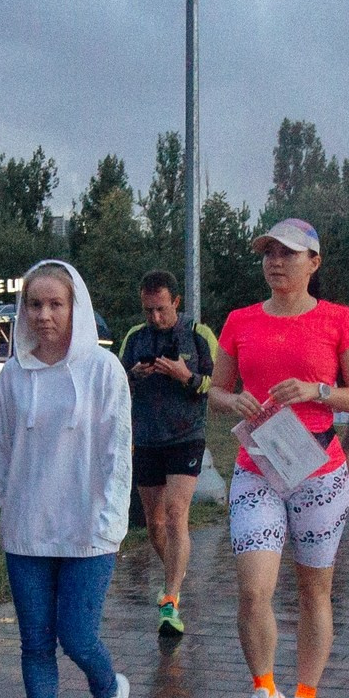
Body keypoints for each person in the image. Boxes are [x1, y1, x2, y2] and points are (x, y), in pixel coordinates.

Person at [211, 219, 349, 698]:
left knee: (313, 591)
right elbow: (218, 391)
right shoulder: (240, 320)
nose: (276, 262)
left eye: (288, 253)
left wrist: (317, 390)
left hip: (318, 472)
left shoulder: (339, 319)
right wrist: (232, 400)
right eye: (269, 253)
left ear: (314, 263)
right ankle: (265, 693)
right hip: (257, 466)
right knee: (253, 589)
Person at [0, 261, 133, 698]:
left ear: (76, 308)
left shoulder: (104, 371)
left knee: (76, 634)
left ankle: (109, 691)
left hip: (88, 530)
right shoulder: (12, 376)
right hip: (27, 530)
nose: (44, 315)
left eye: (56, 304)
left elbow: (118, 451)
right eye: (35, 304)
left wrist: (110, 519)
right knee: (34, 642)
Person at [119, 268, 217, 635]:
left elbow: (219, 385)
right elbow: (114, 382)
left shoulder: (198, 334)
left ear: (176, 302)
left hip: (186, 435)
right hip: (146, 437)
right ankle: (175, 575)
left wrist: (185, 376)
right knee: (155, 523)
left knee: (176, 515)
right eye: (148, 310)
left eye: (161, 309)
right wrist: (133, 375)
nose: (156, 318)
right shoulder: (135, 337)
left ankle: (171, 599)